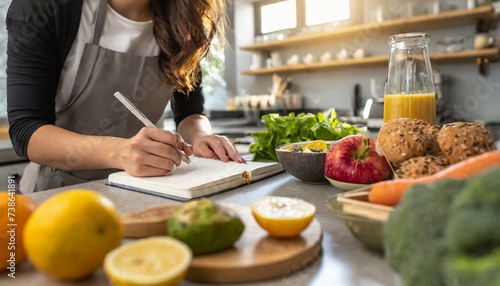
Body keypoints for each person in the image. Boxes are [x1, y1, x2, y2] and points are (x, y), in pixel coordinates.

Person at [6, 0, 243, 193]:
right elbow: (26, 130)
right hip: (61, 195)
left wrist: (202, 136)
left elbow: (190, 112)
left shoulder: (182, 22)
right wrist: (119, 152)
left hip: (148, 191)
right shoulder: (44, 8)